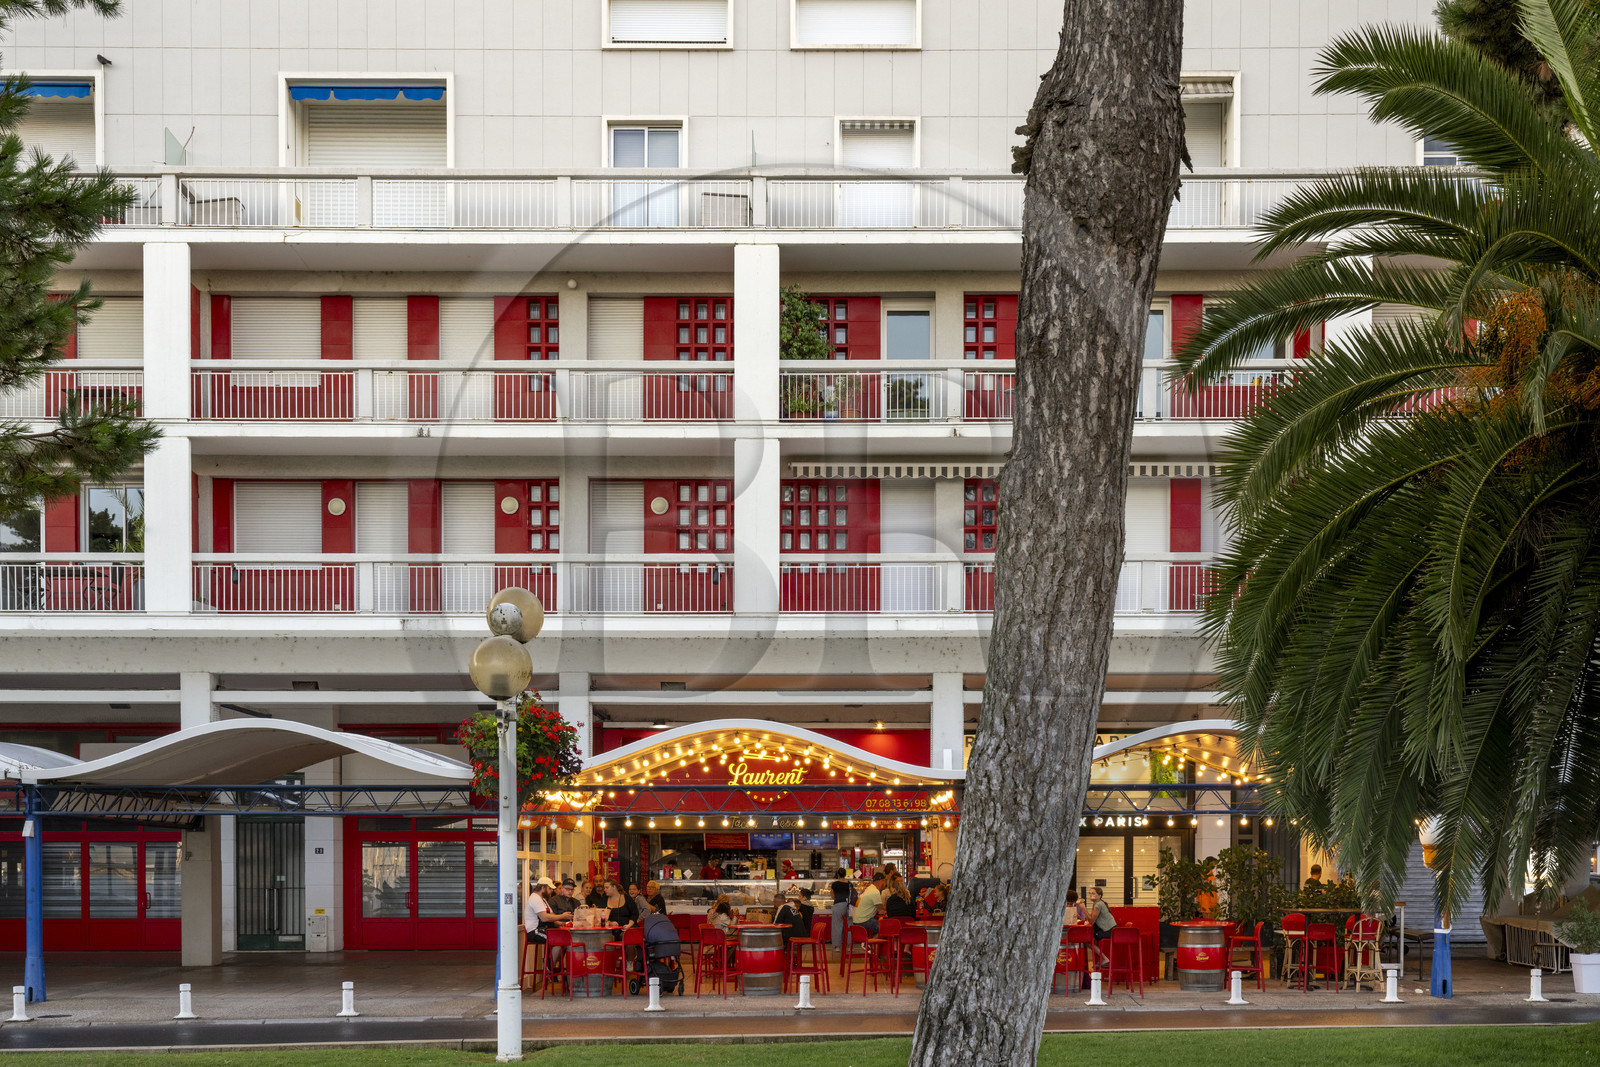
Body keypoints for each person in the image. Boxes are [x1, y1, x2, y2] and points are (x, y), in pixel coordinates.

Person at [1086, 886, 1116, 964]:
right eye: (1090, 893)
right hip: (1110, 930)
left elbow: (1092, 920)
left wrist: (1083, 908)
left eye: (1093, 893)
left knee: (1088, 940)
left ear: (1099, 896)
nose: (1090, 895)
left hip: (1109, 931)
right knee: (1088, 937)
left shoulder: (1098, 905)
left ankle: (1105, 958)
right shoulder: (1097, 903)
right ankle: (1102, 959)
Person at [524, 877, 553, 947]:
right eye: (550, 888)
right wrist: (563, 916)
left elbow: (552, 915)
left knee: (563, 938)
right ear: (543, 888)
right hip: (534, 931)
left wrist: (562, 923)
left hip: (543, 929)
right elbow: (545, 918)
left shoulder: (543, 900)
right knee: (556, 939)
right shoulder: (535, 898)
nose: (552, 891)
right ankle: (549, 958)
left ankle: (550, 958)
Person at [829, 867, 852, 949]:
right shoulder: (849, 884)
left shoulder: (835, 884)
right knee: (849, 925)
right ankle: (849, 946)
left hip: (838, 905)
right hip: (849, 906)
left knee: (837, 925)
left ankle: (837, 946)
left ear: (838, 874)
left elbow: (832, 896)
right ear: (845, 875)